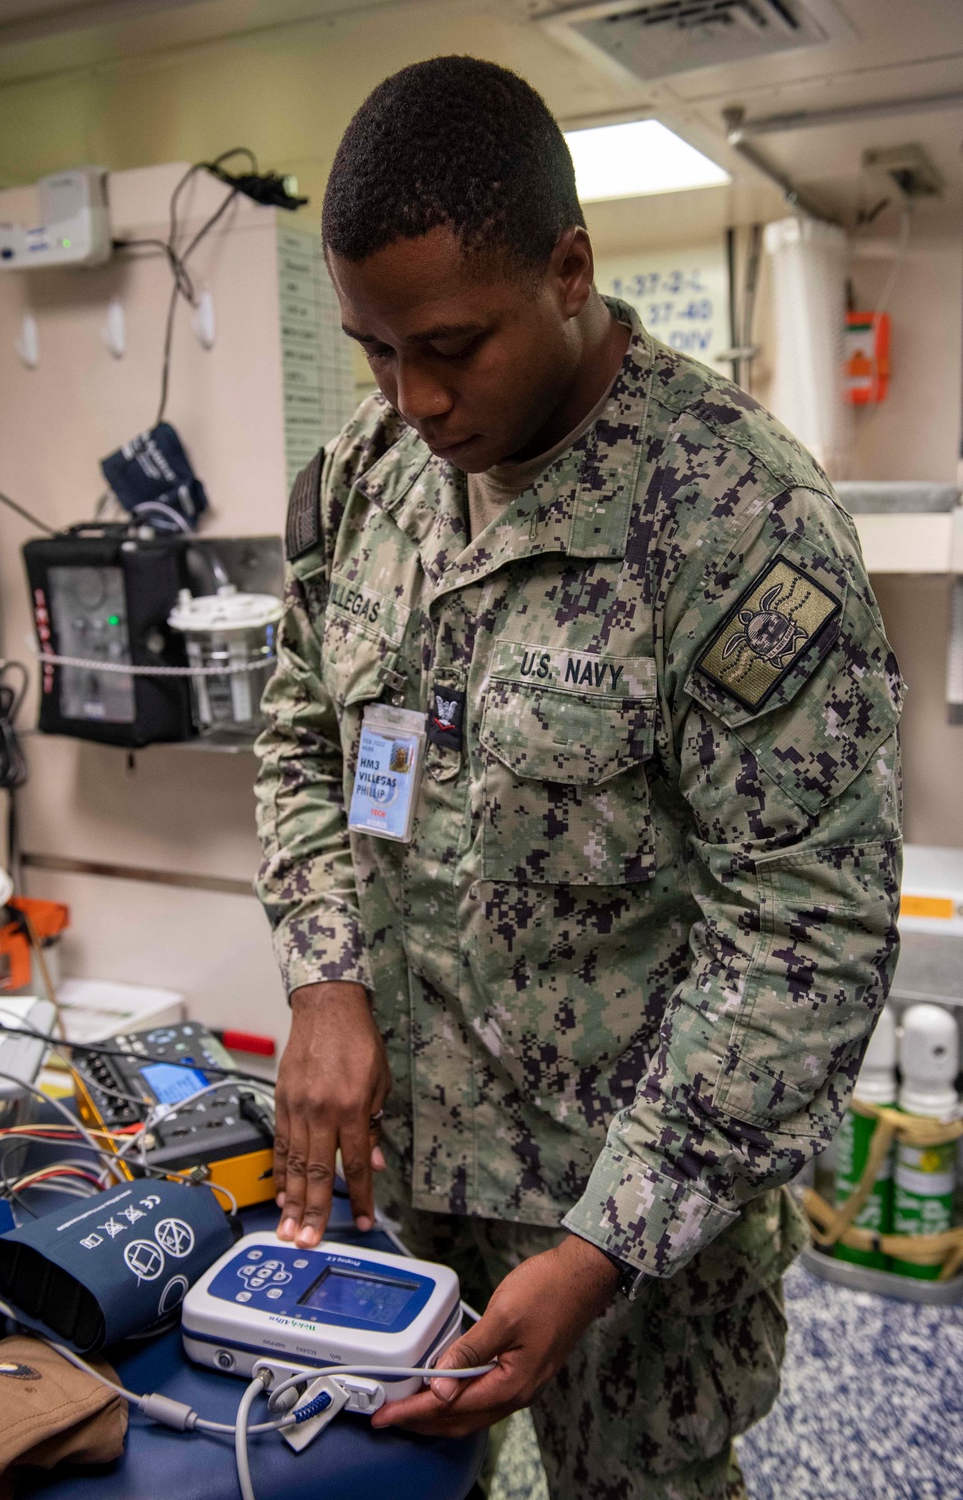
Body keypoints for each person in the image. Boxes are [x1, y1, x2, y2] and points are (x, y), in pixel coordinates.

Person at [254, 55, 903, 1500]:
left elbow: (806, 936)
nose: (412, 398)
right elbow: (305, 731)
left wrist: (609, 1240)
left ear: (569, 270)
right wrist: (325, 977)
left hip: (632, 1211)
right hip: (412, 1171)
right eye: (375, 350)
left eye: (451, 345)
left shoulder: (739, 528)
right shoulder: (369, 482)